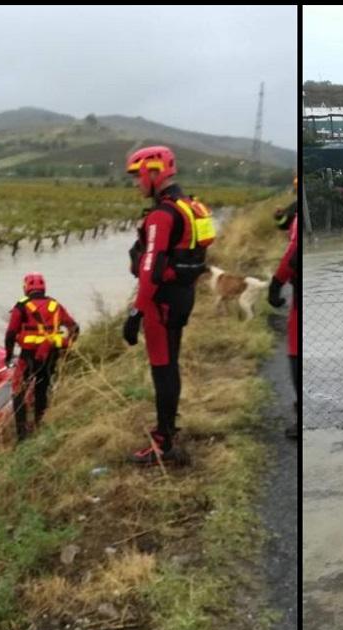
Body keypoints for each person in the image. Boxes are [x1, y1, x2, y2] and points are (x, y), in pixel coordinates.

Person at [122, 145, 215, 465]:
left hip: (160, 303)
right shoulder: (190, 206)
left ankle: (163, 442)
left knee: (162, 369)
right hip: (183, 295)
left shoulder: (162, 215)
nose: (136, 183)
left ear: (154, 172)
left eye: (138, 176)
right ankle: (167, 427)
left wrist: (135, 311)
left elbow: (149, 269)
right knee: (170, 365)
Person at [4, 272, 79, 440]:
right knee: (42, 388)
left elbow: (10, 334)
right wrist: (66, 348)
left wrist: (8, 356)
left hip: (28, 356)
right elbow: (74, 328)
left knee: (18, 391)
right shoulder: (55, 305)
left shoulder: (21, 306)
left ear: (26, 288)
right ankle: (40, 424)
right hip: (51, 355)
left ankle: (22, 434)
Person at [268, 192, 300, 439]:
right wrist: (279, 217)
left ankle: (301, 416)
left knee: (295, 352)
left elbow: (292, 252)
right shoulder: (294, 206)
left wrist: (276, 284)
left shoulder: (299, 208)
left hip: (298, 294)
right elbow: (285, 227)